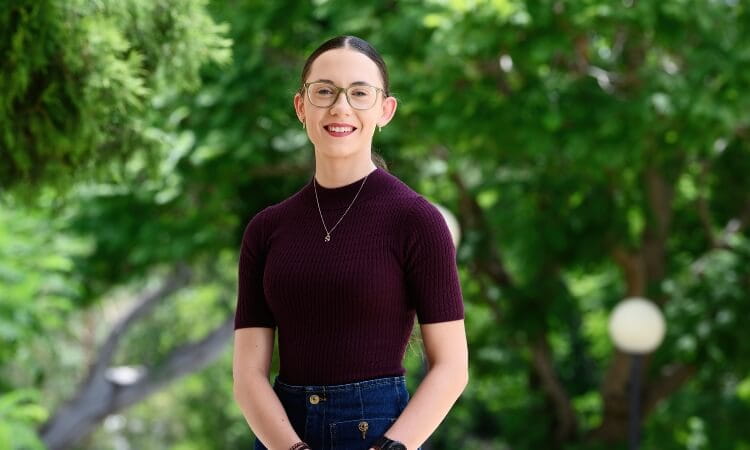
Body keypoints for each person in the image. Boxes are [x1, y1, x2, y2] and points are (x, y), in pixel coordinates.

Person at [232, 35, 468, 450]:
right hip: (280, 435)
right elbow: (248, 374)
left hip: (381, 434)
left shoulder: (417, 220)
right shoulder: (266, 229)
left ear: (385, 110)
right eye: (324, 91)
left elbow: (452, 367)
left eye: (360, 93)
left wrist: (392, 448)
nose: (340, 107)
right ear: (301, 106)